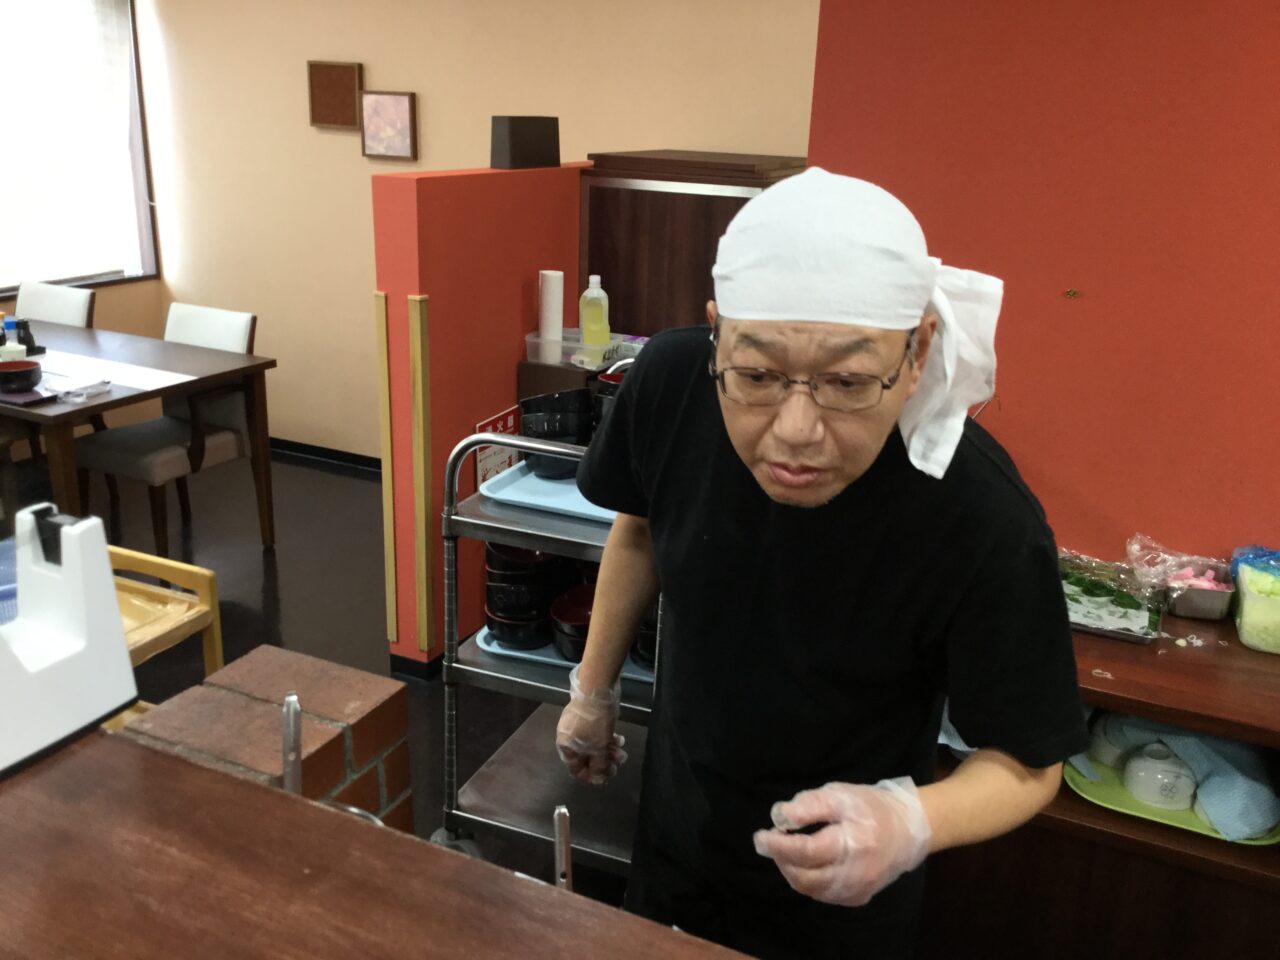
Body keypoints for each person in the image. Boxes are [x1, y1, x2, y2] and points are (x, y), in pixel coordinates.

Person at [555, 168, 1088, 959]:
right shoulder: (670, 383)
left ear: (917, 353)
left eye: (846, 382)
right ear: (717, 335)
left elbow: (1028, 762)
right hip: (676, 839)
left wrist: (909, 822)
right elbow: (639, 528)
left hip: (843, 898)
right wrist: (592, 691)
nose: (796, 430)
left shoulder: (982, 518)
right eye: (757, 376)